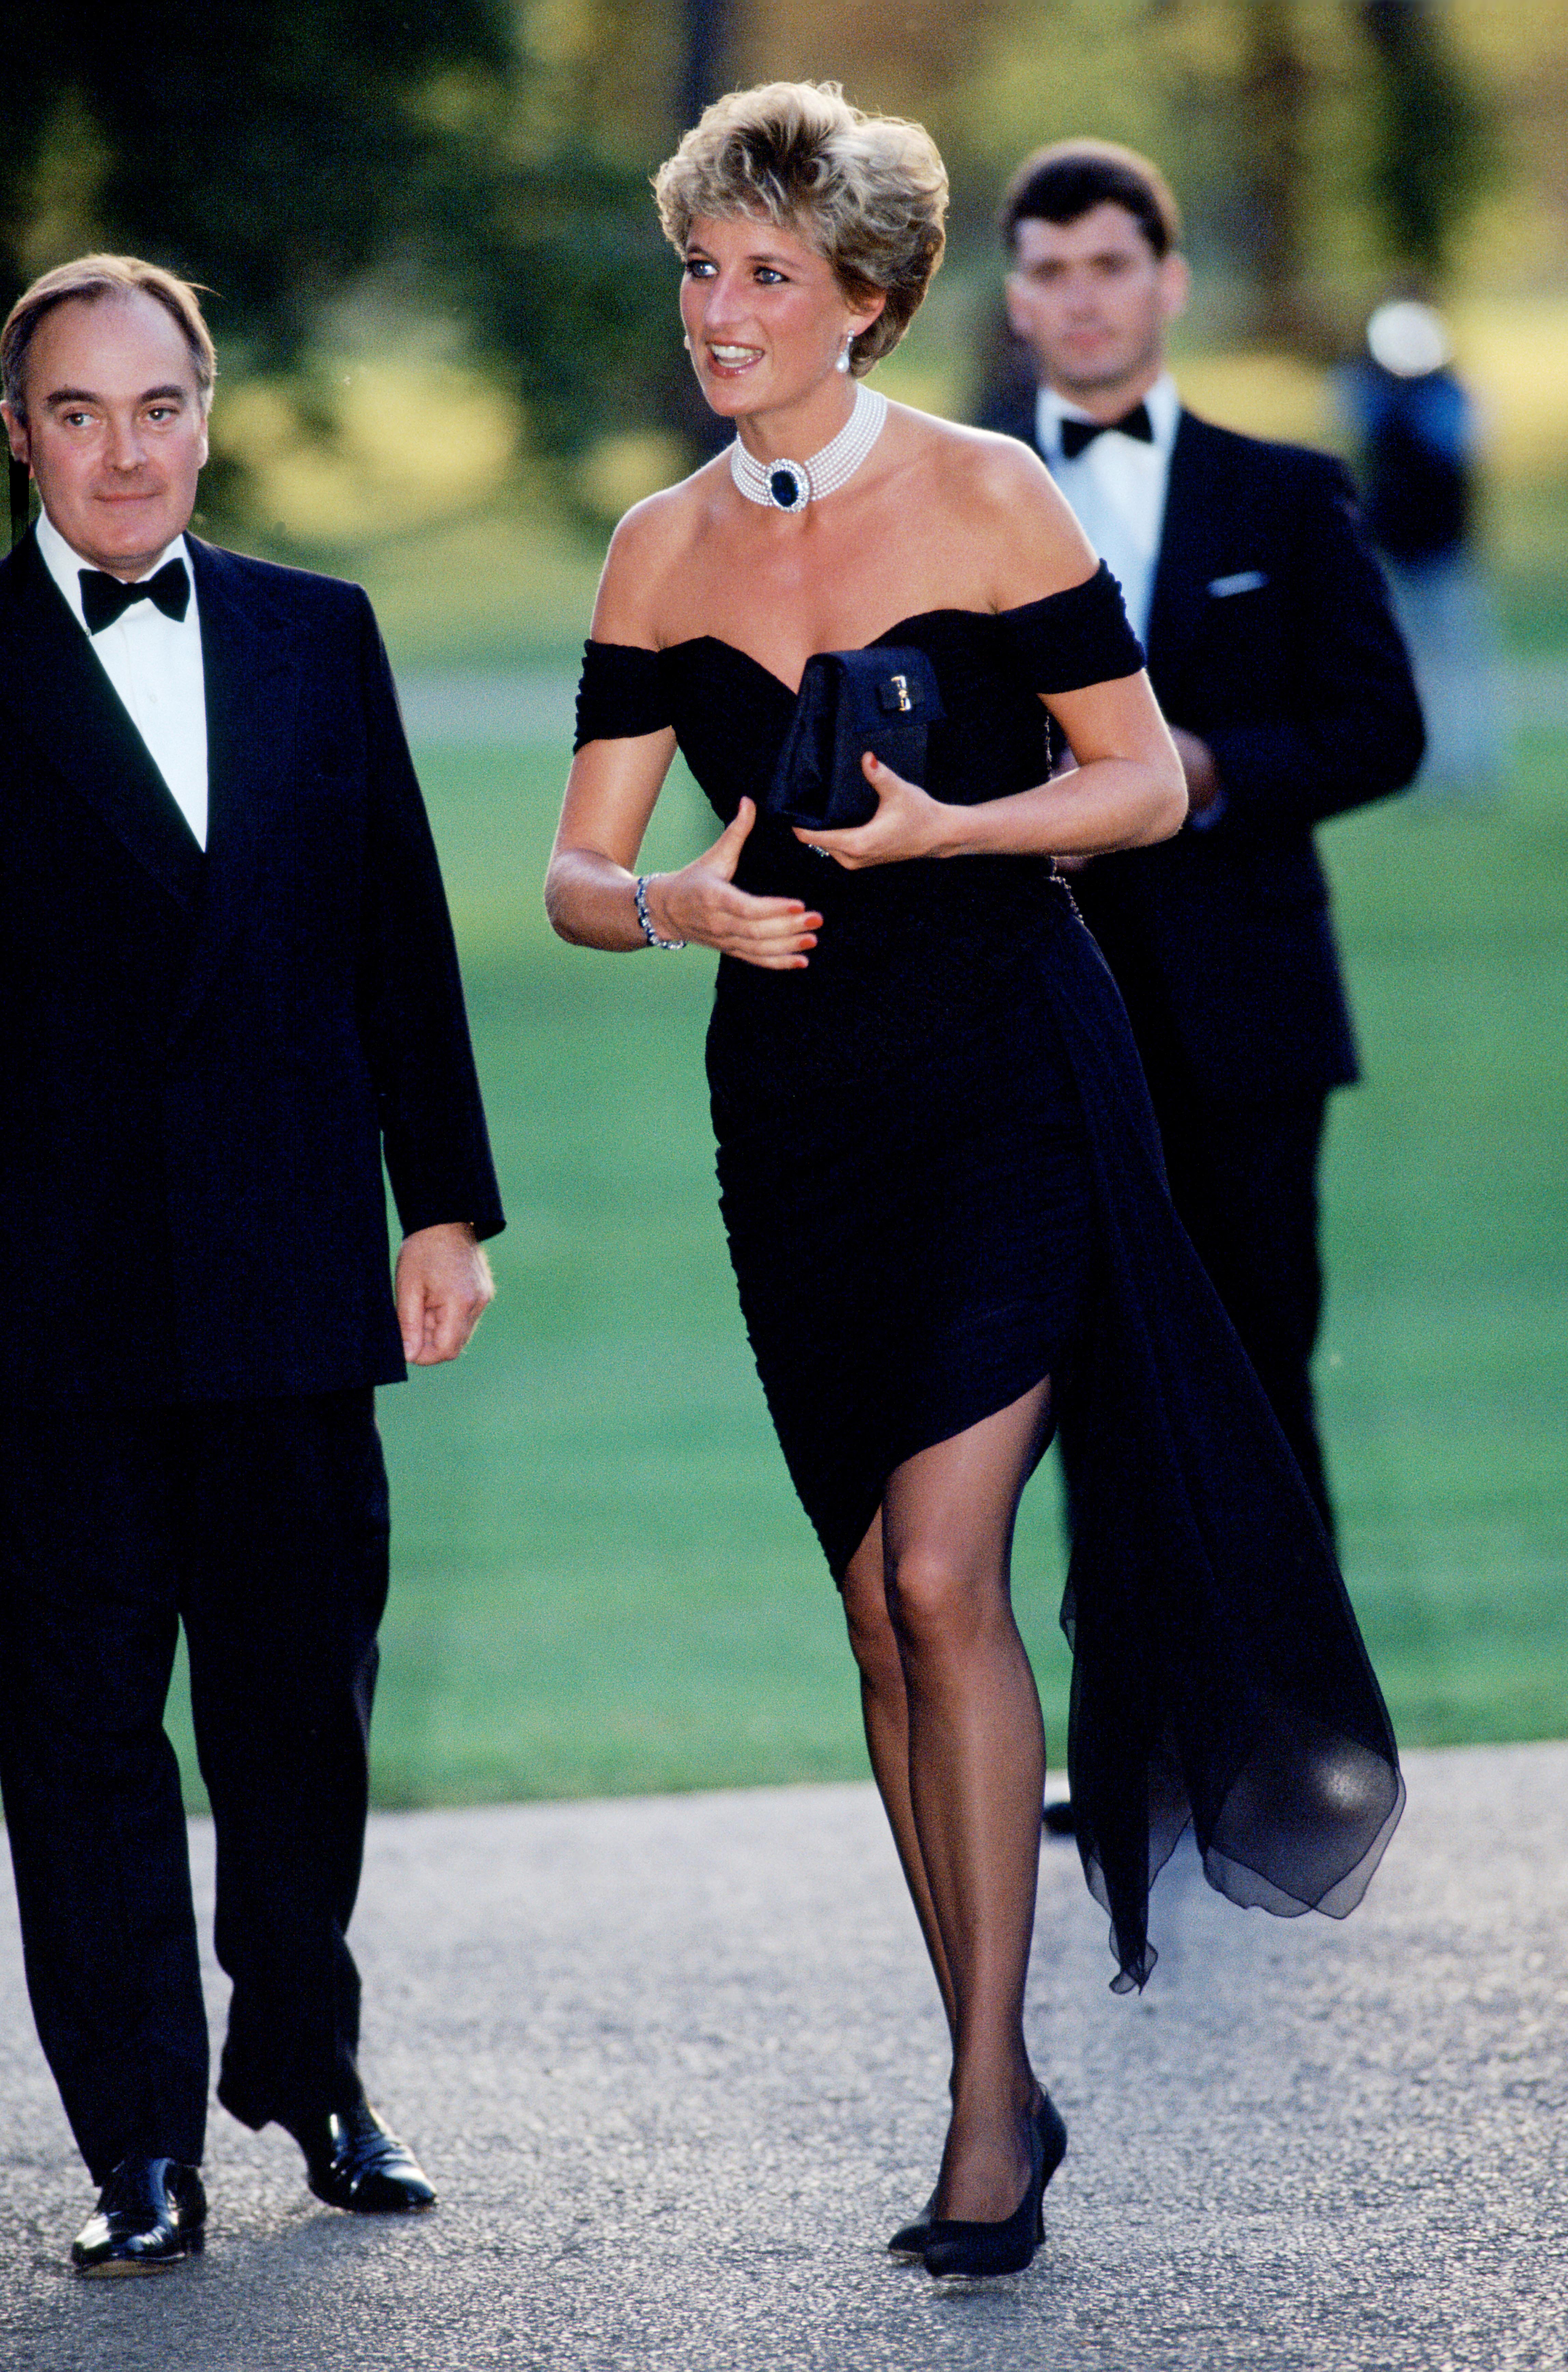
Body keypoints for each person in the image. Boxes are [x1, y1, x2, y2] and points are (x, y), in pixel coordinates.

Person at [545, 82, 1403, 2281]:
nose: (715, 310)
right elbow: (572, 866)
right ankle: (996, 2061)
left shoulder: (993, 491)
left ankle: (978, 2125)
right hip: (799, 1114)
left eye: (758, 274)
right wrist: (676, 913)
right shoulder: (657, 544)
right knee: (871, 1603)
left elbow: (1129, 791)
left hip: (1017, 1070)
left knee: (942, 1576)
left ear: (865, 295)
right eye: (698, 269)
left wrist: (949, 836)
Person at [0, 256, 504, 2275]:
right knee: (83, 1733)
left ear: (209, 410)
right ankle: (135, 2143)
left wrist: (444, 1201)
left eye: (157, 404)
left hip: (295, 1269)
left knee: (303, 1716)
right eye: (73, 410)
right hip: (45, 1307)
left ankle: (305, 2068)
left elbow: (399, 927)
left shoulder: (319, 631)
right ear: (17, 431)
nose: (122, 450)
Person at [985, 139, 1426, 1541]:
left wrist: (1201, 766)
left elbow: (1380, 729)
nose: (1082, 300)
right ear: (1012, 298)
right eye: (1050, 273)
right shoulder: (958, 507)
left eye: (1108, 265)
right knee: (1080, 1380)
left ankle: (1306, 1759)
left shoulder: (1285, 495)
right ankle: (1128, 1757)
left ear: (1167, 281)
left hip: (1247, 1009)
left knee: (1258, 1371)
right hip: (1041, 1012)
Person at [1338, 297, 1505, 799]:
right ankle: (1422, 762)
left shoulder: (1450, 396)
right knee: (1405, 661)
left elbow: (1452, 448)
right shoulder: (1372, 393)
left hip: (1447, 549)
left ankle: (1472, 761)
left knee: (1460, 659)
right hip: (1393, 549)